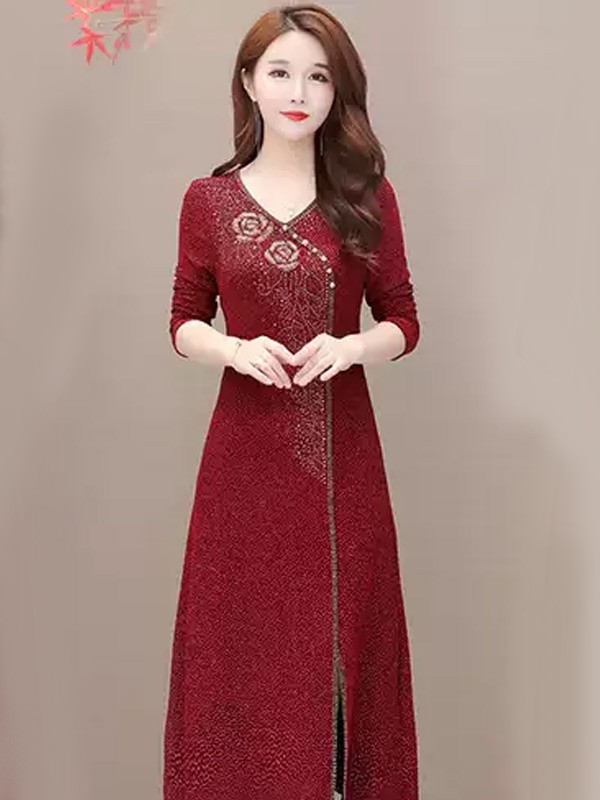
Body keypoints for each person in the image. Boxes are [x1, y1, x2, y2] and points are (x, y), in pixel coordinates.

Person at [163, 5, 421, 799]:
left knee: (342, 648)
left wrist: (353, 347)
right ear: (249, 82)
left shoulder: (365, 195)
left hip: (343, 458)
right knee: (238, 649)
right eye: (280, 72)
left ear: (338, 91)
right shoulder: (207, 202)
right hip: (242, 461)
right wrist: (234, 350)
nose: (299, 92)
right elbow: (183, 321)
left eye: (318, 76)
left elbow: (404, 319)